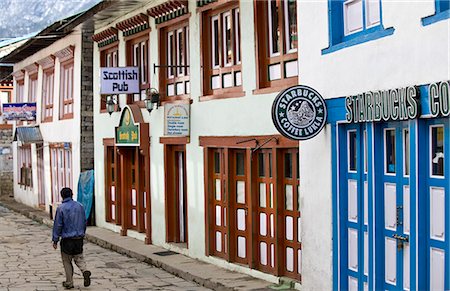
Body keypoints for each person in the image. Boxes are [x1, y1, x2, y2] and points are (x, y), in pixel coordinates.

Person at [52, 187, 91, 289]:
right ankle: (84, 270)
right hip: (78, 238)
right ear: (72, 194)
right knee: (79, 257)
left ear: (62, 196)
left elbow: (58, 225)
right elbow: (84, 222)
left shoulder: (61, 208)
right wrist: (82, 233)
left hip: (67, 239)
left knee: (67, 260)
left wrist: (55, 239)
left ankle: (69, 282)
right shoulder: (80, 206)